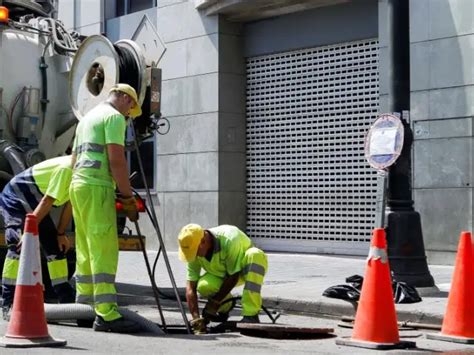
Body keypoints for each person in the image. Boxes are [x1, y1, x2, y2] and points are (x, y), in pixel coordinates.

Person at [69, 83, 141, 333]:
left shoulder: (87, 118)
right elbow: (117, 160)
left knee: (85, 247)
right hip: (97, 186)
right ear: (123, 97)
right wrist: (128, 197)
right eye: (130, 105)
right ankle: (107, 312)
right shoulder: (113, 117)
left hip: (78, 185)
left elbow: (73, 160)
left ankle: (85, 307)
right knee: (103, 247)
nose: (130, 112)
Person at [0, 155, 76, 320]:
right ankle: (7, 301)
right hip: (16, 196)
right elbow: (48, 201)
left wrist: (61, 234)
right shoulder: (67, 169)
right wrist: (28, 231)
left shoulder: (83, 173)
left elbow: (70, 205)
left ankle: (66, 300)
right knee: (17, 246)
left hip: (36, 201)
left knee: (55, 249)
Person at [177, 224, 268, 334]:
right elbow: (191, 288)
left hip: (244, 270)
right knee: (204, 286)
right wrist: (196, 319)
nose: (194, 256)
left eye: (195, 252)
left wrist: (214, 303)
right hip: (220, 274)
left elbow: (233, 277)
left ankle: (251, 315)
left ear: (203, 241)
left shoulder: (229, 239)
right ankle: (226, 307)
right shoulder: (194, 248)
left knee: (255, 254)